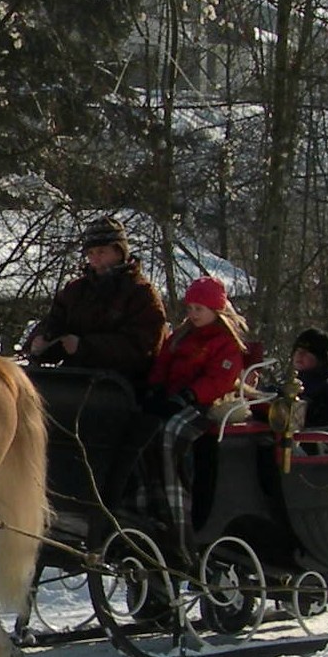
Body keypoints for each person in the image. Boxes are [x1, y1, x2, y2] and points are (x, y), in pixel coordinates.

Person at [140, 275, 250, 560]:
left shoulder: (225, 342)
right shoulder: (181, 336)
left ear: (216, 310)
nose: (193, 314)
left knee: (173, 432)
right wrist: (155, 388)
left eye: (199, 309)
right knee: (146, 428)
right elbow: (164, 362)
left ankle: (176, 491)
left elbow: (220, 379)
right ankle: (149, 494)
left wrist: (190, 395)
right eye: (190, 308)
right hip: (174, 398)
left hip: (206, 404)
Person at [24, 215, 167, 384]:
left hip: (124, 384)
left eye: (101, 252)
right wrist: (41, 341)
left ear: (119, 252)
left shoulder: (141, 293)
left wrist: (84, 347)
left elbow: (142, 348)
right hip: (76, 378)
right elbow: (54, 322)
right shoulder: (75, 291)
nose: (95, 259)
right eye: (90, 253)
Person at [291, 327, 328, 427]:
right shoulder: (290, 386)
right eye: (297, 350)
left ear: (321, 358)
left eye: (307, 351)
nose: (300, 355)